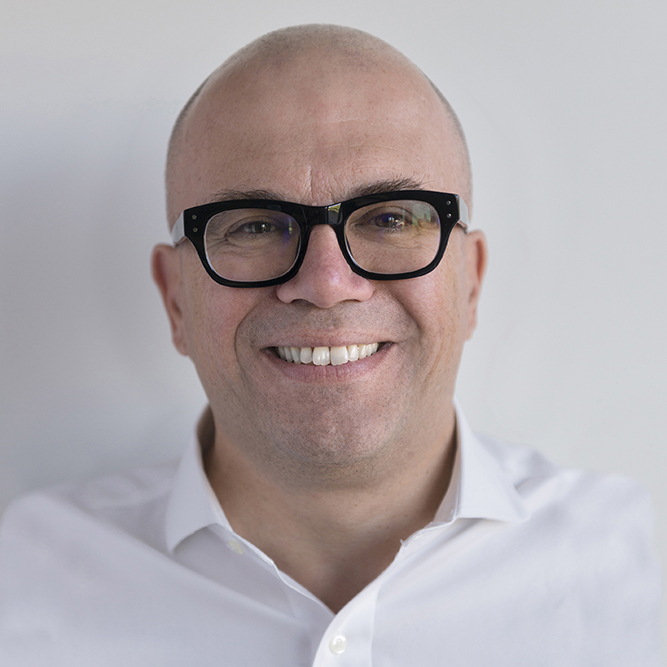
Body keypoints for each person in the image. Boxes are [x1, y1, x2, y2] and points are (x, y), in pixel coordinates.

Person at [0, 24, 660, 666]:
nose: (325, 283)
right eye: (255, 225)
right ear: (175, 298)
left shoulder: (641, 567)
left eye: (391, 218)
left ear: (471, 283)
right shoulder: (24, 577)